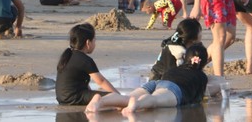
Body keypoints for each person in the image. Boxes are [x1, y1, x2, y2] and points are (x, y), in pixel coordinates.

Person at [86, 44, 221, 115]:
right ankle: (137, 105)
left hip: (156, 83)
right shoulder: (201, 76)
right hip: (173, 90)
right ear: (203, 63)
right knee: (155, 100)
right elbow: (207, 93)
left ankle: (100, 101)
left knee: (127, 98)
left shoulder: (176, 68)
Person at [56, 23, 119, 105]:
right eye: (94, 40)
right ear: (88, 43)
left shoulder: (67, 55)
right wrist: (117, 95)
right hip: (74, 98)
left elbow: (81, 83)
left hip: (62, 98)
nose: (95, 44)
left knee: (98, 92)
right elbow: (101, 81)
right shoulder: (85, 60)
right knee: (113, 96)